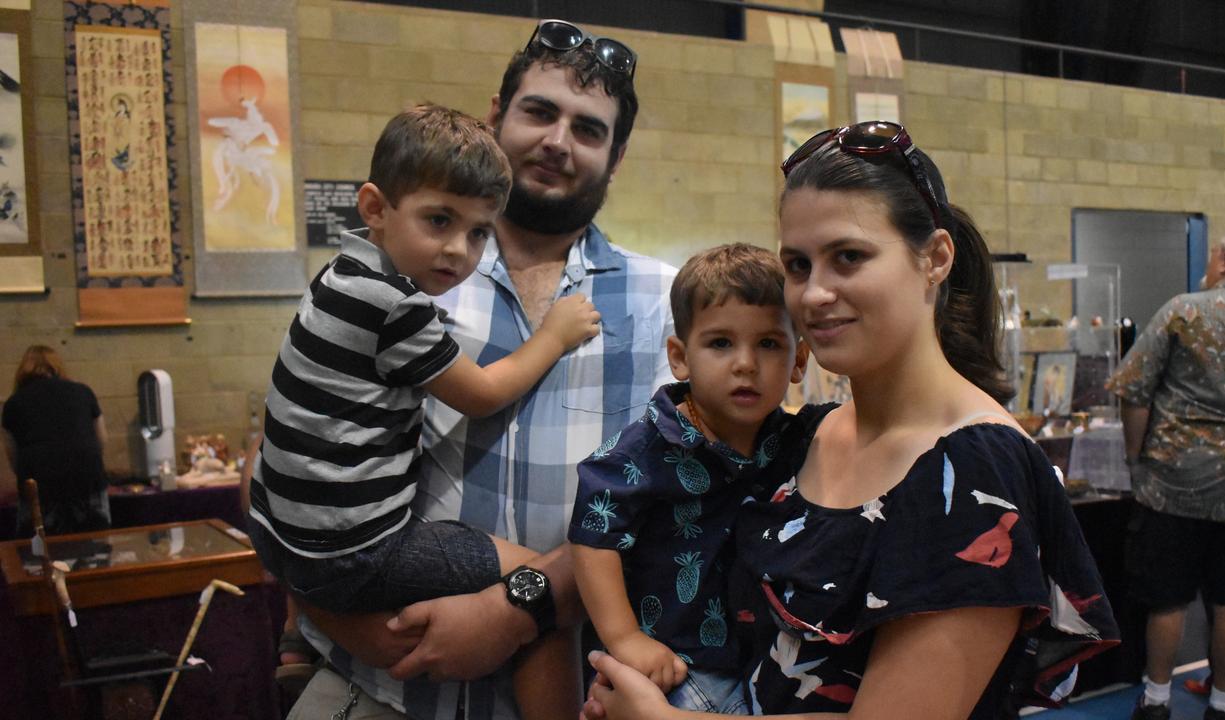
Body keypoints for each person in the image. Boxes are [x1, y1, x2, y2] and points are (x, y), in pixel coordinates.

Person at [582, 121, 1119, 720]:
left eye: (848, 257)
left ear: (935, 258)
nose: (814, 294)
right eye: (798, 265)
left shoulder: (973, 471)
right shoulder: (807, 432)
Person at [289, 18, 678, 720]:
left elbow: (683, 507)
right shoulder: (399, 276)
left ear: (615, 159)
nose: (558, 142)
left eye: (589, 130)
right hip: (377, 688)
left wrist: (518, 611)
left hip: (583, 689)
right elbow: (292, 460)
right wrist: (363, 633)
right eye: (539, 112)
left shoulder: (665, 308)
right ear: (496, 117)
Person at [247, 103, 600, 718]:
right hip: (353, 551)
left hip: (277, 526)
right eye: (439, 220)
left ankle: (297, 632)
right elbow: (483, 392)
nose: (458, 251)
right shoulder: (395, 305)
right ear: (376, 208)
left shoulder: (342, 275)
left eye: (477, 231)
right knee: (542, 593)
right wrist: (555, 334)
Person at [570, 244, 808, 713]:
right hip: (672, 664)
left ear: (800, 361)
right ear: (680, 356)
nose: (745, 363)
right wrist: (624, 637)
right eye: (720, 343)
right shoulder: (646, 449)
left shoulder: (798, 439)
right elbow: (592, 536)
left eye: (769, 343)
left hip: (760, 661)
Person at [1108, 229, 1225, 720]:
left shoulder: (1182, 310)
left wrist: (1136, 457)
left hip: (1172, 485)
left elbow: (1134, 390)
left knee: (1167, 599)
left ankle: (1157, 699)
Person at [2, 345, 112, 536]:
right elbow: (101, 439)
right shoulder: (83, 392)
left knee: (40, 548)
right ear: (57, 367)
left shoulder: (14, 403)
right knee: (95, 540)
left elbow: (13, 455)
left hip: (40, 482)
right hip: (86, 478)